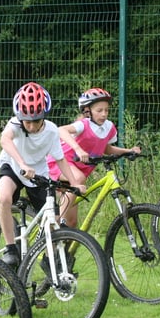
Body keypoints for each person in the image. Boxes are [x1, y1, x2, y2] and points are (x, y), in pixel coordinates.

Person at [0, 82, 85, 267]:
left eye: (35, 120)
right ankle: (11, 248)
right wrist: (21, 163)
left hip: (38, 172)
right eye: (26, 120)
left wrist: (74, 182)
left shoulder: (51, 130)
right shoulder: (15, 124)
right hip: (13, 165)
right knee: (4, 197)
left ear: (43, 116)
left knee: (52, 218)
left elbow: (60, 159)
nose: (30, 125)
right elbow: (5, 139)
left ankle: (49, 260)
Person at [47, 87, 141, 228]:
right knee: (78, 179)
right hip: (61, 163)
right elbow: (61, 130)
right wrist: (78, 149)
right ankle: (58, 221)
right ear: (87, 111)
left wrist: (129, 151)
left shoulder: (109, 128)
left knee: (73, 223)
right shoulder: (83, 125)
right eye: (99, 110)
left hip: (78, 173)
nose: (104, 114)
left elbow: (107, 149)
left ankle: (61, 245)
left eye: (106, 110)